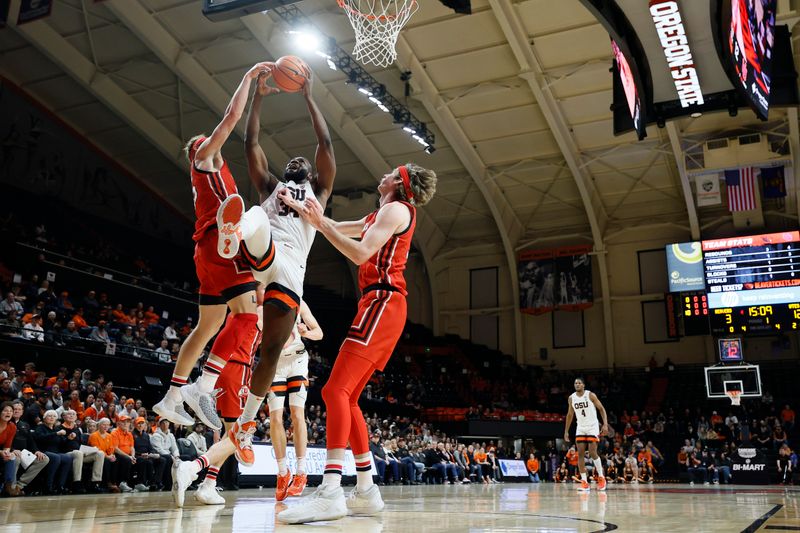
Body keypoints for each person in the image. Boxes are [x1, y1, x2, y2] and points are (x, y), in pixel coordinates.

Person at [276, 162, 437, 524]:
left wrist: (317, 222)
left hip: (383, 301)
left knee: (334, 392)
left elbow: (361, 253)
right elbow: (335, 228)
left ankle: (330, 490)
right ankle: (366, 490)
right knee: (347, 399)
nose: (382, 174)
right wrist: (303, 210)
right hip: (379, 304)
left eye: (390, 172)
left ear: (399, 182)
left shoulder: (396, 209)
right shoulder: (382, 212)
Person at [221, 67, 337, 467]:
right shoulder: (273, 186)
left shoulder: (319, 190)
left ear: (311, 174)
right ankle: (234, 230)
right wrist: (259, 96)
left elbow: (324, 141)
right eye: (294, 158)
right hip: (264, 251)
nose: (299, 158)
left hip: (290, 270)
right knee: (254, 211)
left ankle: (245, 425)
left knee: (269, 352)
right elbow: (251, 140)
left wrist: (308, 94)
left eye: (303, 160)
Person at [152, 61, 273, 432]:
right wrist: (248, 78)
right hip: (220, 249)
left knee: (207, 327)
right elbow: (230, 117)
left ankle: (171, 397)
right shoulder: (204, 159)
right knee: (250, 316)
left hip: (205, 253)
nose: (214, 140)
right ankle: (202, 386)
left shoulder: (214, 173)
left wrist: (260, 100)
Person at [170, 286, 266, 507]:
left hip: (222, 367)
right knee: (236, 435)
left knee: (229, 433)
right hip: (238, 368)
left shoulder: (240, 304)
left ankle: (208, 485)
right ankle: (192, 470)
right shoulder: (260, 310)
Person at [266, 300, 322, 500]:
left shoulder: (298, 302)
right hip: (275, 363)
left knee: (298, 414)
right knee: (275, 418)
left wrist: (305, 332)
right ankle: (282, 473)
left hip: (297, 360)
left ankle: (301, 471)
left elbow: (319, 333)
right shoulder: (265, 301)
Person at [564, 377, 609, 492]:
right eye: (575, 383)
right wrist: (566, 431)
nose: (577, 384)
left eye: (579, 383)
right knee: (580, 454)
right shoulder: (571, 398)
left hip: (592, 426)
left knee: (593, 452)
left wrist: (605, 424)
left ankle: (601, 477)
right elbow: (570, 415)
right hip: (581, 427)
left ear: (584, 385)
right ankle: (584, 482)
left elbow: (602, 409)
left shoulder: (590, 395)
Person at [33, 410, 74, 494]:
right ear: (44, 418)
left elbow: (61, 442)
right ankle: (48, 486)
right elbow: (40, 438)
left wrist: (68, 438)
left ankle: (60, 486)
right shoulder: (40, 428)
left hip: (55, 452)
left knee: (68, 458)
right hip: (43, 451)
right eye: (49, 416)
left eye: (54, 416)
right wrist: (56, 434)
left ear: (56, 419)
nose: (52, 418)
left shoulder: (55, 429)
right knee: (56, 457)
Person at [0, 402, 21, 496]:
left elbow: (7, 446)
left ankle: (8, 487)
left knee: (11, 457)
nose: (8, 413)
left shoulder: (12, 426)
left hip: (0, 452)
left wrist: (6, 453)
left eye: (10, 411)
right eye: (5, 410)